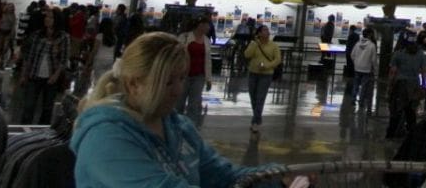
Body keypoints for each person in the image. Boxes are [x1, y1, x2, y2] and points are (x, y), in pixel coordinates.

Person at [71, 31, 310, 187]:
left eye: (181, 79)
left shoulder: (178, 127)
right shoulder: (106, 139)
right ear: (135, 84)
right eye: (168, 82)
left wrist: (278, 178)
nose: (177, 90)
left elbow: (224, 177)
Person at [19, 5, 70, 124]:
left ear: (56, 20)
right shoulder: (37, 35)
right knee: (28, 106)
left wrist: (55, 76)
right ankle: (23, 133)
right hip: (33, 75)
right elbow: (29, 57)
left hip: (51, 78)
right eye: (46, 17)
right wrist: (23, 74)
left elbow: (64, 59)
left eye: (50, 17)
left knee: (47, 108)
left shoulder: (63, 37)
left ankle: (41, 134)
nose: (47, 19)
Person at [386, 32, 426, 137]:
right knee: (411, 111)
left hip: (400, 85)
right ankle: (412, 134)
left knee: (396, 110)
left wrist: (389, 87)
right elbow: (424, 71)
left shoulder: (398, 54)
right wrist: (423, 86)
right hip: (415, 85)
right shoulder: (421, 54)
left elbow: (393, 72)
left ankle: (391, 133)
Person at [243, 24, 281, 134]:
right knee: (253, 98)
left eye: (267, 30)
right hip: (253, 73)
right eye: (264, 30)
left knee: (260, 98)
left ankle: (255, 122)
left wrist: (267, 66)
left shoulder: (273, 45)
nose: (267, 32)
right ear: (259, 33)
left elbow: (277, 59)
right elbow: (247, 55)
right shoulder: (254, 44)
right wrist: (255, 44)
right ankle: (258, 118)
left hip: (266, 75)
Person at [176, 17, 213, 127]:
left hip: (199, 75)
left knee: (195, 102)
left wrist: (208, 79)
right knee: (179, 101)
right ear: (200, 25)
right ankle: (176, 123)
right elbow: (176, 54)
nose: (209, 28)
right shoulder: (184, 37)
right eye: (207, 25)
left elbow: (208, 61)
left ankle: (190, 126)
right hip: (184, 74)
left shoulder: (206, 40)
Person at [85, 17, 118, 91]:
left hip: (99, 60)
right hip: (110, 60)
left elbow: (94, 51)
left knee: (97, 81)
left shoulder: (99, 36)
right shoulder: (115, 37)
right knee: (105, 80)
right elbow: (114, 51)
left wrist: (88, 63)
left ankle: (97, 95)